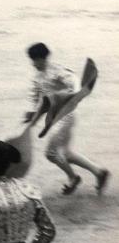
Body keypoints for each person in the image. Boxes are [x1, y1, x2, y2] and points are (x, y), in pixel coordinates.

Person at [25, 43, 110, 195]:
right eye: (32, 60)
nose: (33, 63)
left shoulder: (57, 70)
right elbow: (35, 99)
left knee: (51, 154)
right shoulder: (37, 77)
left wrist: (68, 95)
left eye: (35, 60)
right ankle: (99, 173)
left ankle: (73, 178)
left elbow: (75, 82)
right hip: (56, 119)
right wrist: (31, 116)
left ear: (43, 59)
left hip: (66, 115)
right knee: (67, 153)